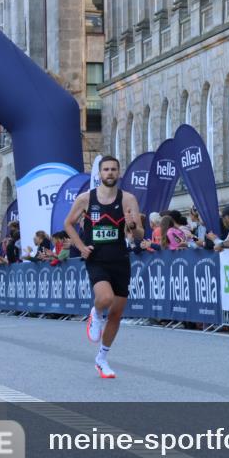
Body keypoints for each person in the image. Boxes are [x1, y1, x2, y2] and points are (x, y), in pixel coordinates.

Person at [64, 156, 144, 379]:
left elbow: (140, 235)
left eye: (113, 169)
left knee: (117, 314)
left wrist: (132, 226)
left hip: (119, 259)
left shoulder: (128, 199)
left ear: (119, 173)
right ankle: (96, 313)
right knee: (105, 298)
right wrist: (80, 247)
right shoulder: (85, 199)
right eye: (106, 169)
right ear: (99, 174)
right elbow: (67, 224)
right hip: (96, 258)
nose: (110, 173)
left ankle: (102, 359)